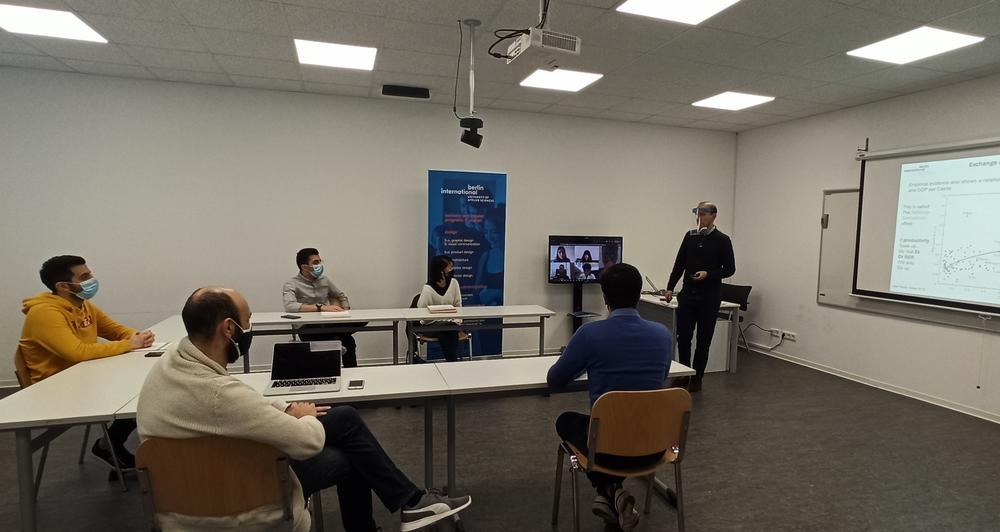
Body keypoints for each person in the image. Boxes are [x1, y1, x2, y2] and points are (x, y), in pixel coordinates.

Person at [137, 287, 471, 532]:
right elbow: (304, 443)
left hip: (186, 492)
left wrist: (286, 407)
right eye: (248, 320)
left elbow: (241, 404)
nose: (250, 327)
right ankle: (409, 504)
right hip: (241, 498)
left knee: (343, 419)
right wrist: (304, 416)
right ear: (228, 328)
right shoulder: (217, 394)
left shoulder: (173, 367)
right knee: (349, 453)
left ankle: (410, 503)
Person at [547, 263, 672, 532]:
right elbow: (659, 376)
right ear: (639, 295)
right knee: (612, 427)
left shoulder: (590, 335)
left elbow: (555, 380)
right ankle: (615, 494)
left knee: (565, 420)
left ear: (604, 296)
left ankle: (610, 490)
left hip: (606, 450)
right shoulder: (663, 335)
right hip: (653, 446)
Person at [17, 255, 155, 470]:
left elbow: (115, 330)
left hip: (84, 377)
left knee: (149, 388)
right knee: (145, 394)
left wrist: (137, 336)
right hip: (54, 389)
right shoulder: (44, 313)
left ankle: (110, 444)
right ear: (63, 286)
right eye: (85, 276)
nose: (92, 279)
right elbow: (77, 352)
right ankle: (111, 445)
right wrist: (130, 344)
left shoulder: (83, 306)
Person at [662, 202, 736, 393]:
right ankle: (684, 374)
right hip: (688, 295)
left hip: (709, 297)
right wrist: (670, 287)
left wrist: (708, 274)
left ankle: (697, 377)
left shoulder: (722, 240)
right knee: (683, 337)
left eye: (703, 213)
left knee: (704, 340)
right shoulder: (690, 236)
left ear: (713, 216)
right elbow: (679, 263)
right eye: (697, 213)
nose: (699, 217)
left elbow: (729, 269)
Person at [283, 248, 361, 368]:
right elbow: (290, 306)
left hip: (328, 323)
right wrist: (321, 308)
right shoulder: (291, 284)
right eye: (315, 262)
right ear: (304, 267)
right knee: (344, 339)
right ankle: (330, 373)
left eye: (320, 261)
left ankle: (351, 374)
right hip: (307, 328)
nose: (319, 265)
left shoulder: (324, 280)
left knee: (360, 324)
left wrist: (345, 311)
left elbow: (341, 296)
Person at [415, 255, 463, 362]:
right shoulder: (428, 288)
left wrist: (456, 320)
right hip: (431, 325)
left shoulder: (454, 283)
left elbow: (458, 305)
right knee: (449, 328)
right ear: (441, 270)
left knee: (447, 329)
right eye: (449, 267)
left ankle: (451, 362)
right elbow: (421, 312)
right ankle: (453, 362)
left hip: (451, 324)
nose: (452, 270)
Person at [474, 208, 505, 306]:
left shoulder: (511, 257)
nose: (489, 237)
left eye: (494, 232)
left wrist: (495, 293)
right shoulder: (485, 256)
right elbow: (476, 291)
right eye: (486, 232)